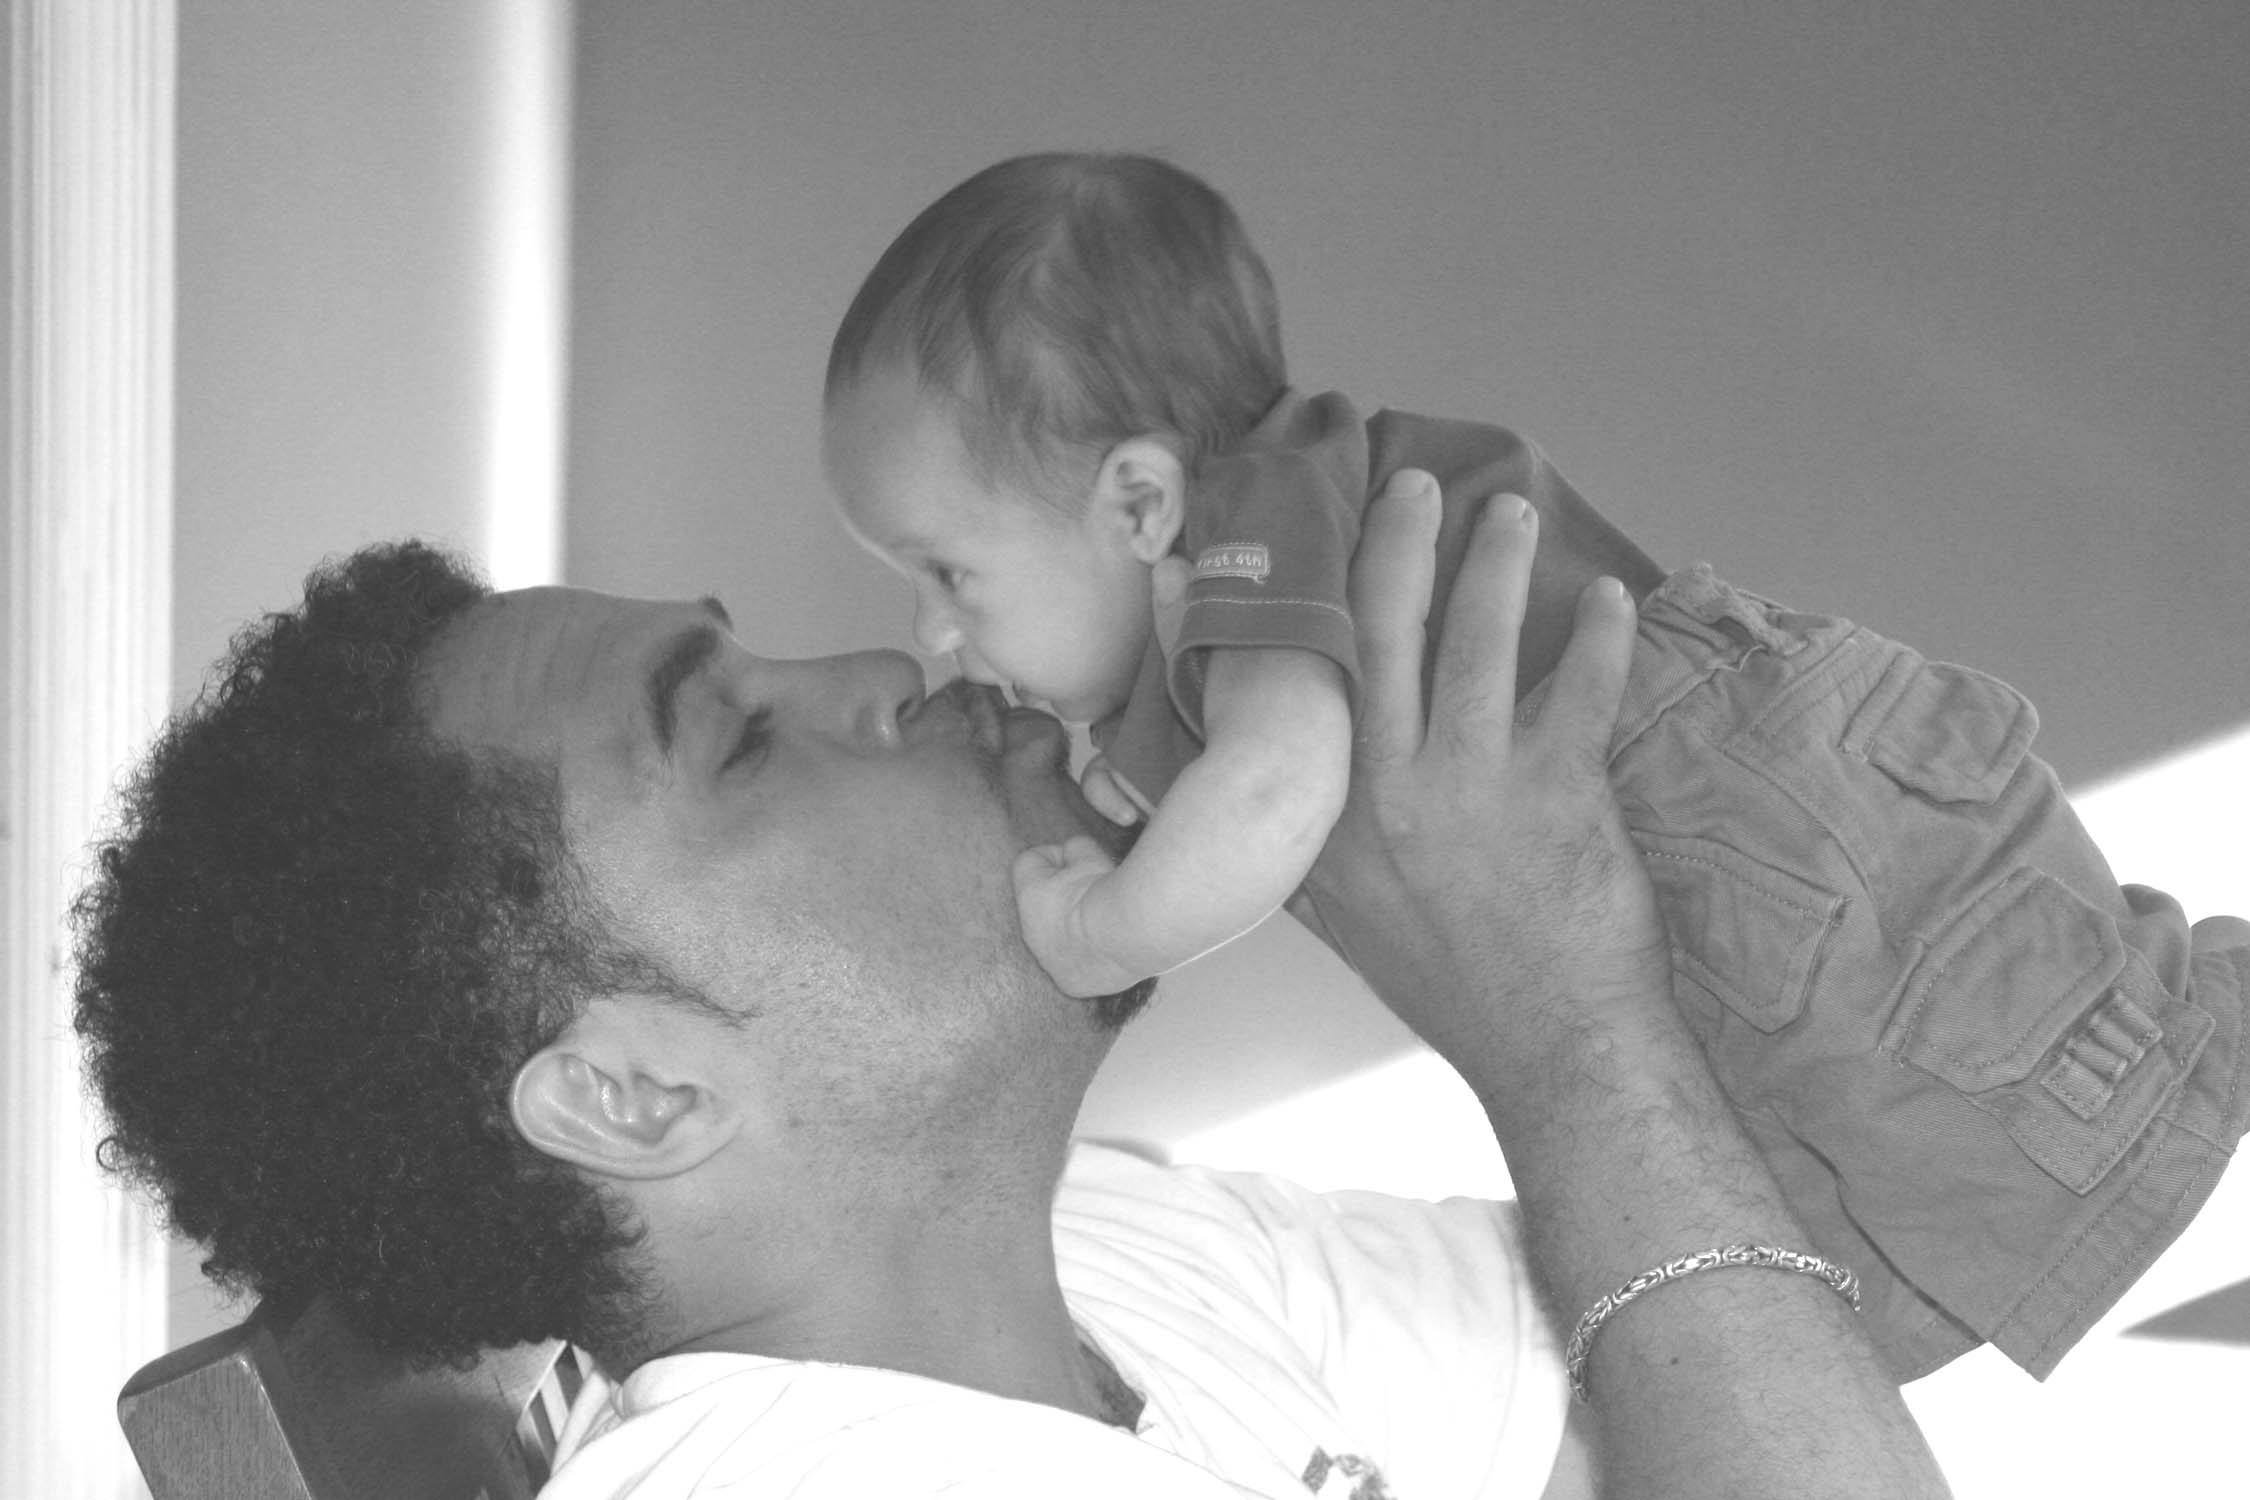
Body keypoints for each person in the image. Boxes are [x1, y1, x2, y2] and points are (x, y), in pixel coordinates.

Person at [75, 481, 1947, 1497]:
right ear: (637, 1095)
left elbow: (1760, 1355)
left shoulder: (1104, 1258)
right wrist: (1555, 1022)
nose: (881, 675)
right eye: (739, 741)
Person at [819, 150, 2250, 1382]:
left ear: (1139, 500)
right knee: (1892, 1173)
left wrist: (1099, 933)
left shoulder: (1254, 530)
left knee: (1998, 1101)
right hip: (1750, 795)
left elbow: (1268, 793)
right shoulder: (1258, 564)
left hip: (1727, 799)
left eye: (946, 569)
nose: (932, 633)